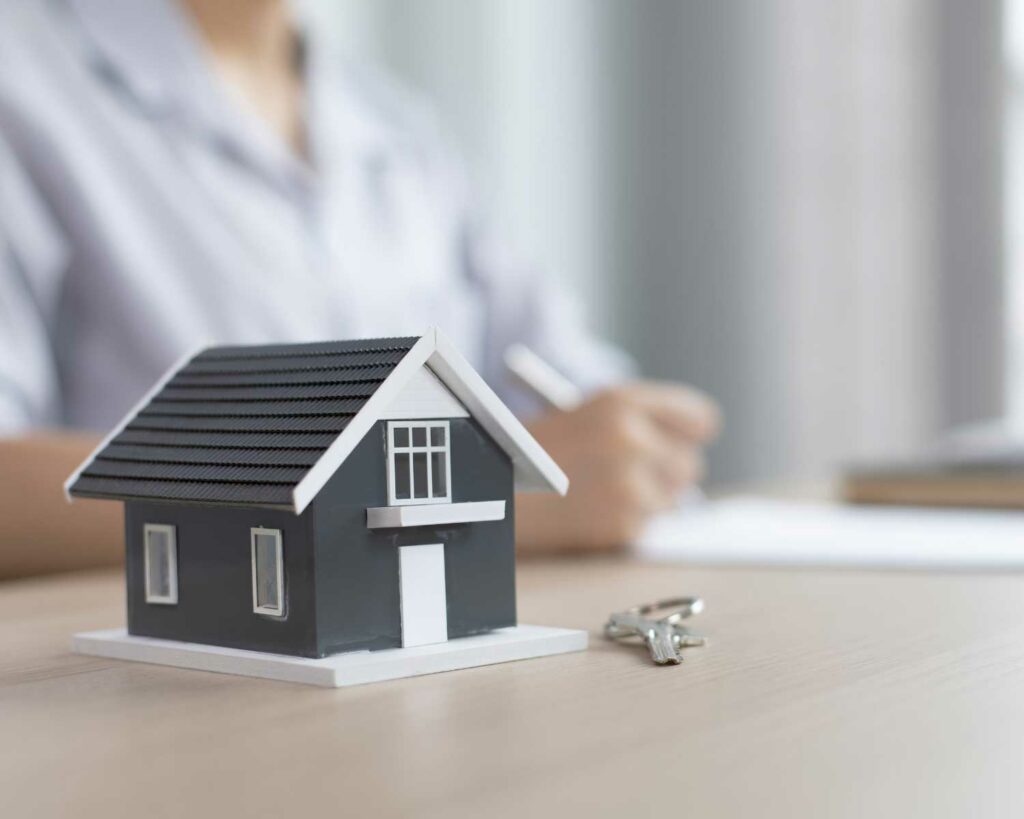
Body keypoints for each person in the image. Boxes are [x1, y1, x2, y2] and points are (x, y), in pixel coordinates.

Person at [0, 0, 720, 578]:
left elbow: (567, 387)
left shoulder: (395, 122)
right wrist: (470, 495)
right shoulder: (24, 88)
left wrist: (628, 447)